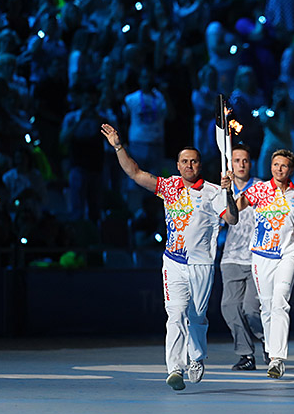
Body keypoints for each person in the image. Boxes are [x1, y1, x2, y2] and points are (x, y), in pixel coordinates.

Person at [100, 123, 238, 391]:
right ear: (177, 165)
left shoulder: (213, 192)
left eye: (194, 161)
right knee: (175, 314)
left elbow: (232, 218)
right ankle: (175, 368)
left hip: (202, 264)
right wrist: (119, 146)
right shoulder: (169, 187)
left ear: (200, 164)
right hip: (174, 262)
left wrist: (228, 193)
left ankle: (196, 358)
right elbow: (135, 172)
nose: (189, 166)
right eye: (184, 162)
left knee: (196, 317)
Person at [235, 149, 294, 379]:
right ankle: (270, 352)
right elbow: (236, 208)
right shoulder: (258, 190)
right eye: (276, 165)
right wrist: (227, 189)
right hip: (261, 255)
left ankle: (278, 358)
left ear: (291, 169)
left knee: (280, 302)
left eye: (284, 166)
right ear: (271, 167)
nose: (280, 169)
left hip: (288, 253)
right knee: (267, 306)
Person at [220, 145, 265, 371]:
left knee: (250, 310)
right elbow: (220, 221)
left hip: (258, 256)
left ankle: (266, 338)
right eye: (237, 160)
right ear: (230, 164)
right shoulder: (220, 189)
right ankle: (246, 354)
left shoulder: (261, 188)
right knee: (229, 307)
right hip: (231, 257)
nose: (241, 164)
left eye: (245, 160)